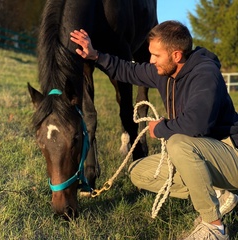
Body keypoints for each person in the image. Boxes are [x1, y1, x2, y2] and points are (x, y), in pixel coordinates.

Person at [70, 21, 238, 239]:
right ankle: (218, 192)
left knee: (179, 144)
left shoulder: (206, 74)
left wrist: (161, 128)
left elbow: (197, 125)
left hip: (231, 153)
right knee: (138, 171)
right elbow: (128, 70)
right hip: (203, 155)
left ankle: (214, 227)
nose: (151, 61)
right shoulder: (164, 73)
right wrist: (95, 56)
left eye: (156, 56)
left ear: (176, 56)